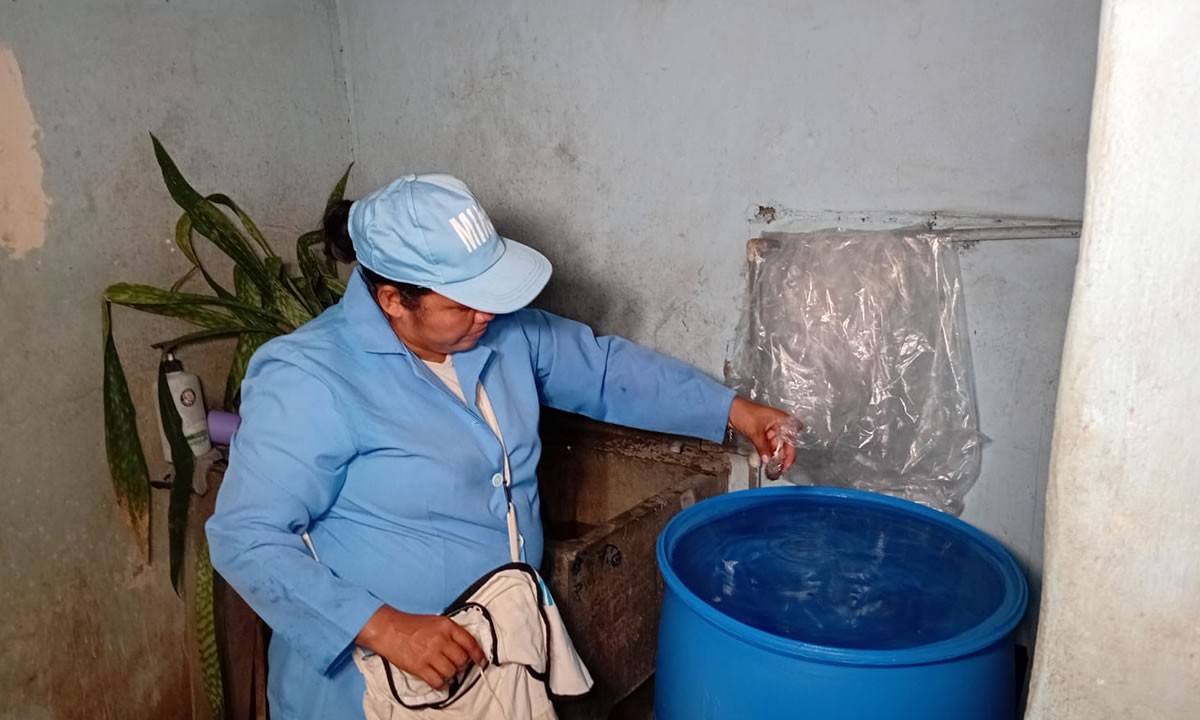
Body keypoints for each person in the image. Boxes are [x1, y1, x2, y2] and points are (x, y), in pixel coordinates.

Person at [205, 173, 796, 719]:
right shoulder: (311, 377)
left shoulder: (503, 333)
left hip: (493, 660)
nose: (487, 312)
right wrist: (384, 627)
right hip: (368, 685)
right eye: (462, 302)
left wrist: (733, 411)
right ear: (392, 300)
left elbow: (602, 370)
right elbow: (246, 536)